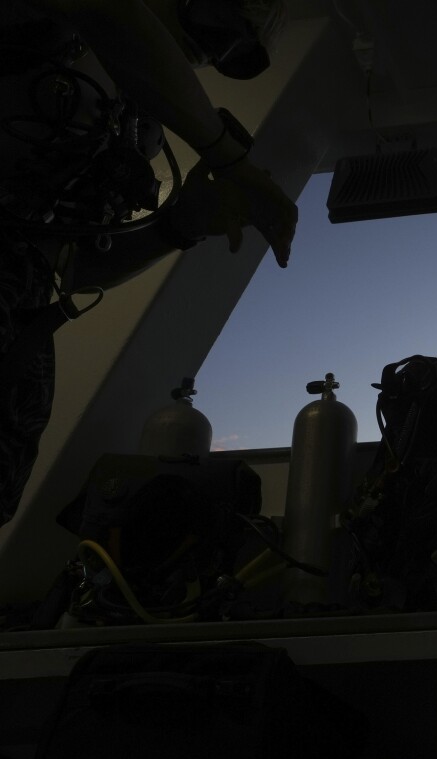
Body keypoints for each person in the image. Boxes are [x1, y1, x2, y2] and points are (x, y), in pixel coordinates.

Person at [0, 0, 298, 528]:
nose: (214, 49)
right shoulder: (65, 27)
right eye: (219, 23)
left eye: (233, 50)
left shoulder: (140, 127)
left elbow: (75, 269)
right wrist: (228, 155)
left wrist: (179, 226)